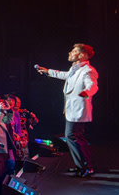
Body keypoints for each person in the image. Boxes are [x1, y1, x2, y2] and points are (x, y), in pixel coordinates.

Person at [36, 43, 98, 177]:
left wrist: (86, 92)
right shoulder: (75, 69)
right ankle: (82, 166)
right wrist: (48, 71)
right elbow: (64, 75)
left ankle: (87, 167)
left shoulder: (88, 70)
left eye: (74, 51)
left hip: (78, 110)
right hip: (72, 110)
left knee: (73, 136)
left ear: (82, 55)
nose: (70, 52)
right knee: (73, 137)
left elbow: (93, 85)